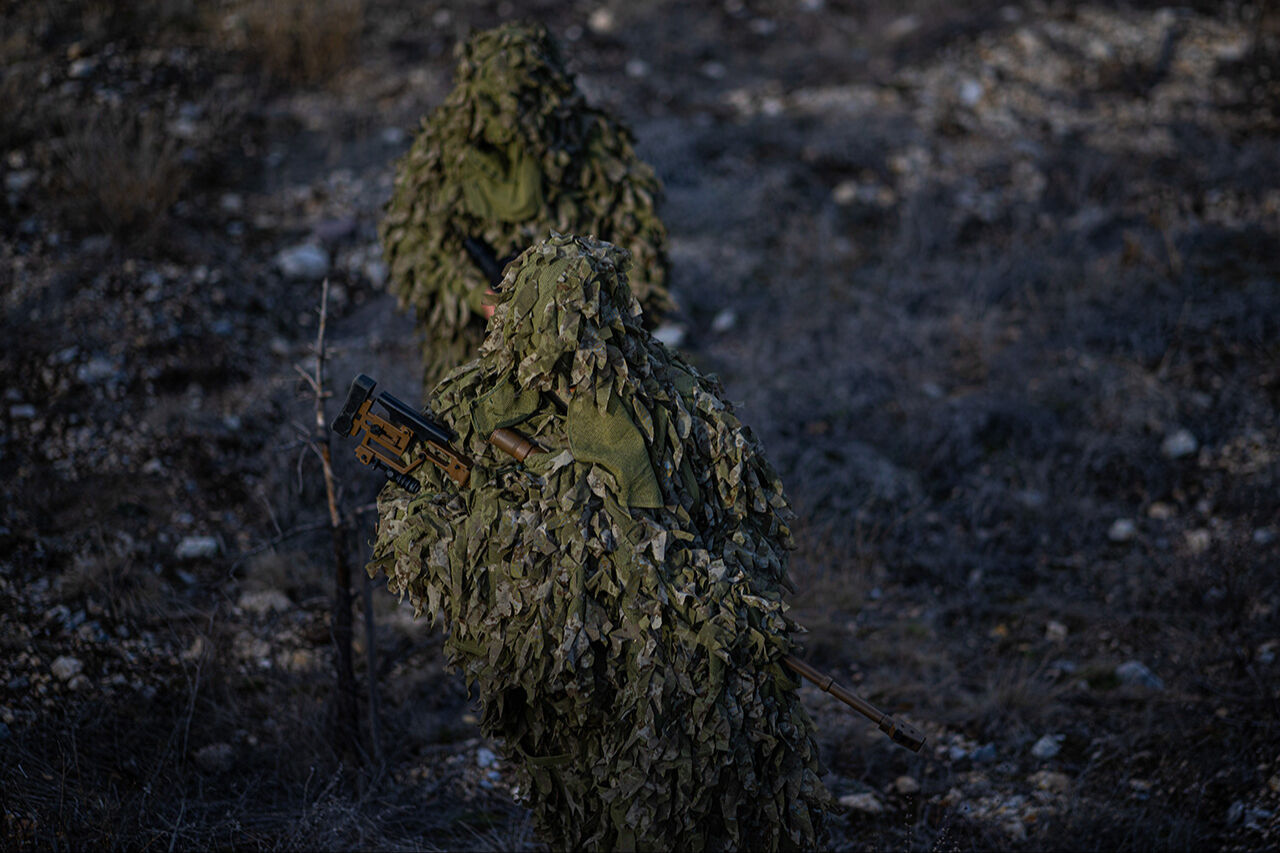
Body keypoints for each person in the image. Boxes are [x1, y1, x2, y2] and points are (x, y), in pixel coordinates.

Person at [369, 234, 829, 850]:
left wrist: (717, 601)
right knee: (578, 812)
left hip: (668, 674)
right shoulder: (480, 404)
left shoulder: (679, 404)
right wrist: (502, 537)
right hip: (551, 672)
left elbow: (749, 524)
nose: (568, 346)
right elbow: (417, 529)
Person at [379, 23, 673, 393]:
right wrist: (482, 299)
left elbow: (641, 249)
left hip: (578, 348)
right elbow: (414, 245)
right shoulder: (444, 152)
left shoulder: (589, 144)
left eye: (522, 100)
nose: (508, 118)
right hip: (472, 341)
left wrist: (595, 323)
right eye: (495, 102)